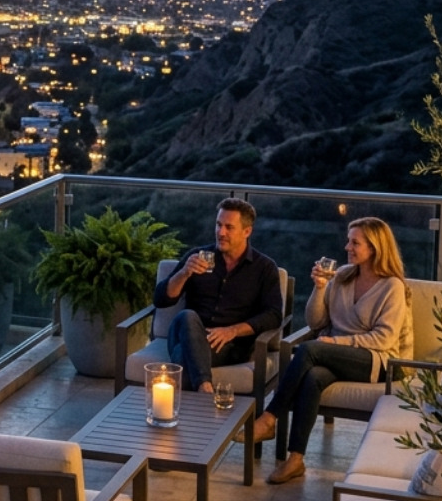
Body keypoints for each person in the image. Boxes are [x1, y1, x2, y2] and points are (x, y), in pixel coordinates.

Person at [246, 217, 411, 485]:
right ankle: (296, 459)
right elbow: (315, 322)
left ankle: (269, 417)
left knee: (311, 350)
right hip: (334, 354)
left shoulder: (392, 286)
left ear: (375, 248)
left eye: (355, 243)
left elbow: (384, 338)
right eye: (348, 241)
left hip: (376, 361)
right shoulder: (344, 276)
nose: (347, 247)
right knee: (313, 379)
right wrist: (320, 288)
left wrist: (336, 343)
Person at [154, 199, 283, 395]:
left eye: (229, 227)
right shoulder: (197, 257)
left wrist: (232, 330)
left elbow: (273, 315)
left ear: (247, 231)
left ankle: (193, 407)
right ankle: (205, 388)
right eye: (218, 225)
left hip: (227, 345)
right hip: (187, 331)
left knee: (182, 356)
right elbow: (161, 299)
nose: (221, 232)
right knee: (187, 316)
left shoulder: (264, 268)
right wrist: (184, 273)